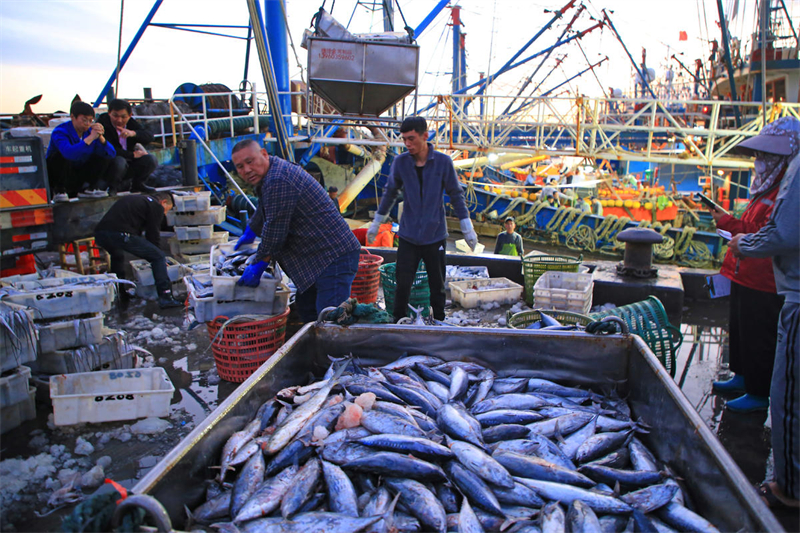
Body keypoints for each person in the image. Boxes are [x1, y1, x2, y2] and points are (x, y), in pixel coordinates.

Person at [728, 116, 800, 510]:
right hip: (749, 275)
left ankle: (789, 490)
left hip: (774, 284)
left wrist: (745, 242)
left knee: (785, 388)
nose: (760, 161)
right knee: (744, 336)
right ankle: (745, 380)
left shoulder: (791, 180)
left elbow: (780, 233)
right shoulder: (770, 186)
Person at [711, 118, 793, 413]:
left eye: (764, 156)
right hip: (742, 273)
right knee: (740, 330)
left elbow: (766, 233)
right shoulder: (764, 190)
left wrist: (728, 223)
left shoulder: (784, 193)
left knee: (760, 336)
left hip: (764, 279)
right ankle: (742, 376)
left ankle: (758, 393)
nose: (759, 161)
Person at [231, 139, 361, 322]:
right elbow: (264, 207)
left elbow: (275, 233)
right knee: (307, 310)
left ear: (264, 154)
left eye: (250, 161)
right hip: (315, 257)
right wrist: (251, 230)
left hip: (333, 257)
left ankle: (338, 342)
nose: (246, 170)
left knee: (330, 319)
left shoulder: (278, 179)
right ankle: (315, 341)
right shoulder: (271, 172)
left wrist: (259, 265)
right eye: (240, 167)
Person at [367, 116, 477, 321]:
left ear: (425, 135)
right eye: (404, 139)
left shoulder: (443, 162)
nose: (407, 144)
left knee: (437, 285)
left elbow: (456, 194)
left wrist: (466, 225)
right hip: (408, 236)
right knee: (402, 284)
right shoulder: (401, 162)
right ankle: (398, 321)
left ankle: (440, 321)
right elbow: (390, 193)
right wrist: (377, 222)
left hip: (435, 236)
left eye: (411, 138)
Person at [94, 191, 183, 308]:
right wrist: (158, 256)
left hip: (101, 234)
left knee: (117, 257)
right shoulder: (156, 205)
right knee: (158, 257)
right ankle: (165, 296)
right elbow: (153, 234)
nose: (165, 214)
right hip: (121, 234)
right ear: (163, 202)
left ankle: (120, 294)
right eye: (167, 210)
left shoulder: (140, 200)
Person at [46, 101, 116, 200]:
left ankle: (88, 189)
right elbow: (69, 153)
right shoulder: (60, 132)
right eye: (84, 120)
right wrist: (89, 139)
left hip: (79, 173)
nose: (87, 124)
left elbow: (111, 154)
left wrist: (101, 138)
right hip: (61, 173)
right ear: (73, 117)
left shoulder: (90, 132)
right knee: (59, 156)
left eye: (90, 120)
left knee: (104, 155)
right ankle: (59, 191)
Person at [96, 99, 157, 193]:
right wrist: (132, 155)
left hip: (128, 162)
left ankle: (138, 184)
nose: (119, 120)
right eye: (115, 116)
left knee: (151, 159)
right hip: (109, 164)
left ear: (129, 115)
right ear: (109, 113)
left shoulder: (130, 123)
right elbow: (108, 149)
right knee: (120, 161)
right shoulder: (103, 124)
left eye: (123, 117)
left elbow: (149, 136)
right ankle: (112, 188)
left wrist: (134, 133)